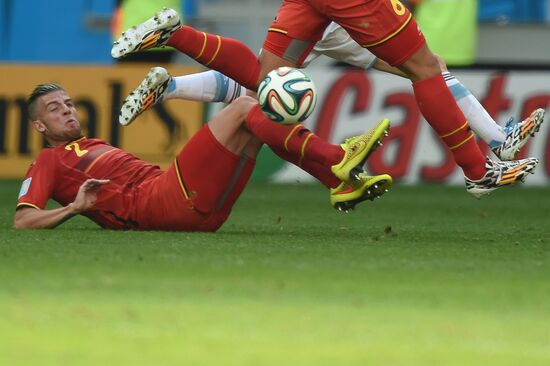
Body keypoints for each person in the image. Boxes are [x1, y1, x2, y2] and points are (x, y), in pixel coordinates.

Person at [111, 5, 539, 198]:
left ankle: (175, 44)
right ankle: (482, 164)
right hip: (346, 11)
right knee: (427, 68)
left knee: (263, 82)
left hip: (315, 6)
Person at [13, 82, 391, 230]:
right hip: (157, 204)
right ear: (39, 127)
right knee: (245, 108)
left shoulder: (91, 143)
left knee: (256, 126)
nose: (66, 110)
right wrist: (74, 208)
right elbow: (23, 222)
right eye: (53, 108)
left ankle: (337, 181)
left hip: (194, 211)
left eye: (67, 102)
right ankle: (338, 156)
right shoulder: (47, 162)